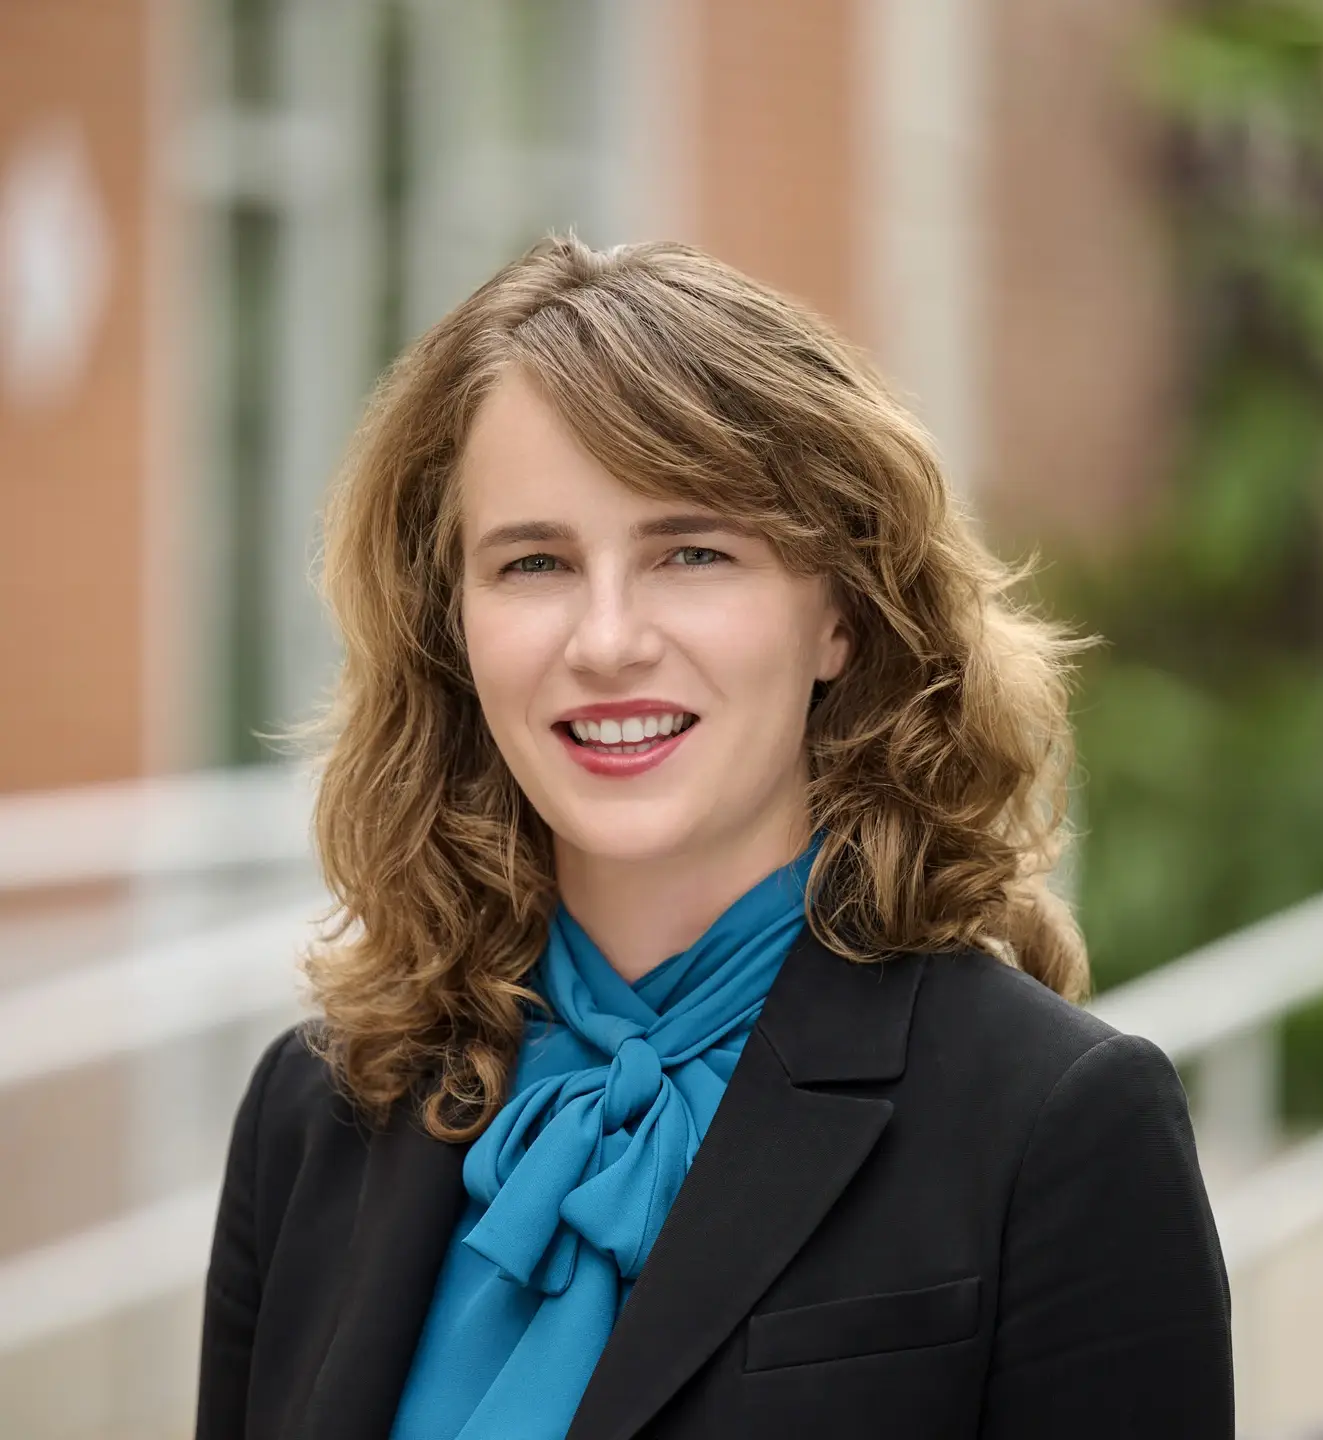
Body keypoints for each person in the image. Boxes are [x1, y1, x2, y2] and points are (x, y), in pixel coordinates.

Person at [196, 235, 1233, 1440]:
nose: (606, 639)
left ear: (841, 614)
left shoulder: (1058, 1126)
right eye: (533, 562)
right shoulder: (313, 1110)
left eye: (692, 551)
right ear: (454, 631)